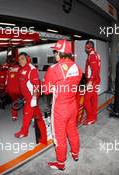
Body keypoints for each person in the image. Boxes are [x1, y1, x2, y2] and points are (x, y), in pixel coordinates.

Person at [42, 39, 82, 170]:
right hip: (72, 105)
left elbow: (46, 90)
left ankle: (60, 163)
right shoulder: (77, 67)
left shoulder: (53, 69)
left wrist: (45, 83)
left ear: (59, 53)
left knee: (59, 137)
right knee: (73, 132)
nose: (54, 54)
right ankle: (75, 154)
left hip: (60, 108)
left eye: (55, 51)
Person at [14, 52, 47, 145]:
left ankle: (24, 132)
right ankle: (44, 136)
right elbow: (22, 85)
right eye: (19, 59)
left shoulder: (32, 69)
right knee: (38, 116)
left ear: (27, 59)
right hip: (27, 98)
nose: (20, 61)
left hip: (32, 98)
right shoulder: (21, 69)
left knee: (26, 115)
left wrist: (34, 98)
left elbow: (36, 85)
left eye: (22, 58)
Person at [83, 40, 101, 125]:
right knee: (94, 100)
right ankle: (94, 117)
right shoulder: (96, 54)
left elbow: (94, 70)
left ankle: (90, 118)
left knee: (86, 100)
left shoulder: (92, 56)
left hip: (93, 81)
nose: (86, 48)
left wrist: (90, 82)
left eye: (87, 46)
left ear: (90, 47)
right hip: (95, 80)